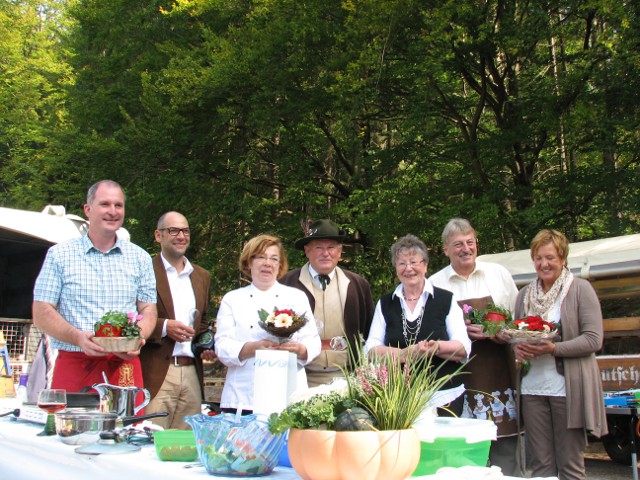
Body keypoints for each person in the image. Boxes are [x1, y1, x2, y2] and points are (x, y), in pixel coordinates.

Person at [32, 180, 157, 392]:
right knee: (70, 425)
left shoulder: (140, 257)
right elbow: (41, 311)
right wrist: (77, 337)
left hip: (123, 365)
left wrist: (137, 338)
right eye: (105, 204)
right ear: (88, 210)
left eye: (118, 205)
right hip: (75, 362)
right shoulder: (59, 255)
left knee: (128, 425)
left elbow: (148, 309)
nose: (113, 211)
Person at [513, 229, 607, 480]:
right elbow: (515, 334)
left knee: (570, 467)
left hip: (568, 390)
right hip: (532, 389)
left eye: (550, 257)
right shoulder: (524, 295)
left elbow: (593, 339)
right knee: (541, 467)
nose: (544, 264)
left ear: (563, 258)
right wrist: (517, 348)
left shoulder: (580, 289)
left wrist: (554, 348)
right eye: (538, 258)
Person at [429, 218, 520, 475]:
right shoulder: (434, 284)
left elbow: (519, 320)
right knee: (461, 451)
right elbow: (429, 333)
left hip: (499, 371)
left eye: (470, 242)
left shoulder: (498, 274)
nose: (465, 249)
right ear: (445, 249)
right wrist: (458, 336)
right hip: (455, 376)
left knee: (505, 447)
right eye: (458, 244)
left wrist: (501, 332)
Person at [364, 234, 471, 415]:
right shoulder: (385, 303)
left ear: (425, 266)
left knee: (442, 443)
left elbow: (463, 347)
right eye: (402, 263)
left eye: (414, 262)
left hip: (444, 395)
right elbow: (371, 349)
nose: (409, 269)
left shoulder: (446, 299)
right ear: (395, 268)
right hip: (399, 398)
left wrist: (437, 347)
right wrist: (404, 354)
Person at [214, 234, 321, 413]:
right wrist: (252, 347)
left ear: (280, 265)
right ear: (249, 262)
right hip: (243, 397)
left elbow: (313, 342)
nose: (267, 263)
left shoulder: (296, 297)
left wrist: (300, 349)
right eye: (261, 257)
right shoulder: (232, 299)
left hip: (289, 396)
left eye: (274, 259)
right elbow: (223, 347)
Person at [140, 211, 215, 429]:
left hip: (191, 371)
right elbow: (131, 318)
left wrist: (207, 344)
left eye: (185, 231)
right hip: (156, 373)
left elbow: (201, 324)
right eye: (173, 230)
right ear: (158, 235)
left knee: (186, 446)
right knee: (149, 440)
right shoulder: (145, 270)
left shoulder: (202, 276)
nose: (180, 236)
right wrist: (163, 327)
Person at [280, 219, 375, 387]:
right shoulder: (286, 284)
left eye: (331, 247)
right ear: (307, 251)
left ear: (339, 252)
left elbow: (370, 333)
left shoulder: (358, 285)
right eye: (319, 248)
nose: (326, 253)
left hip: (347, 378)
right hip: (299, 376)